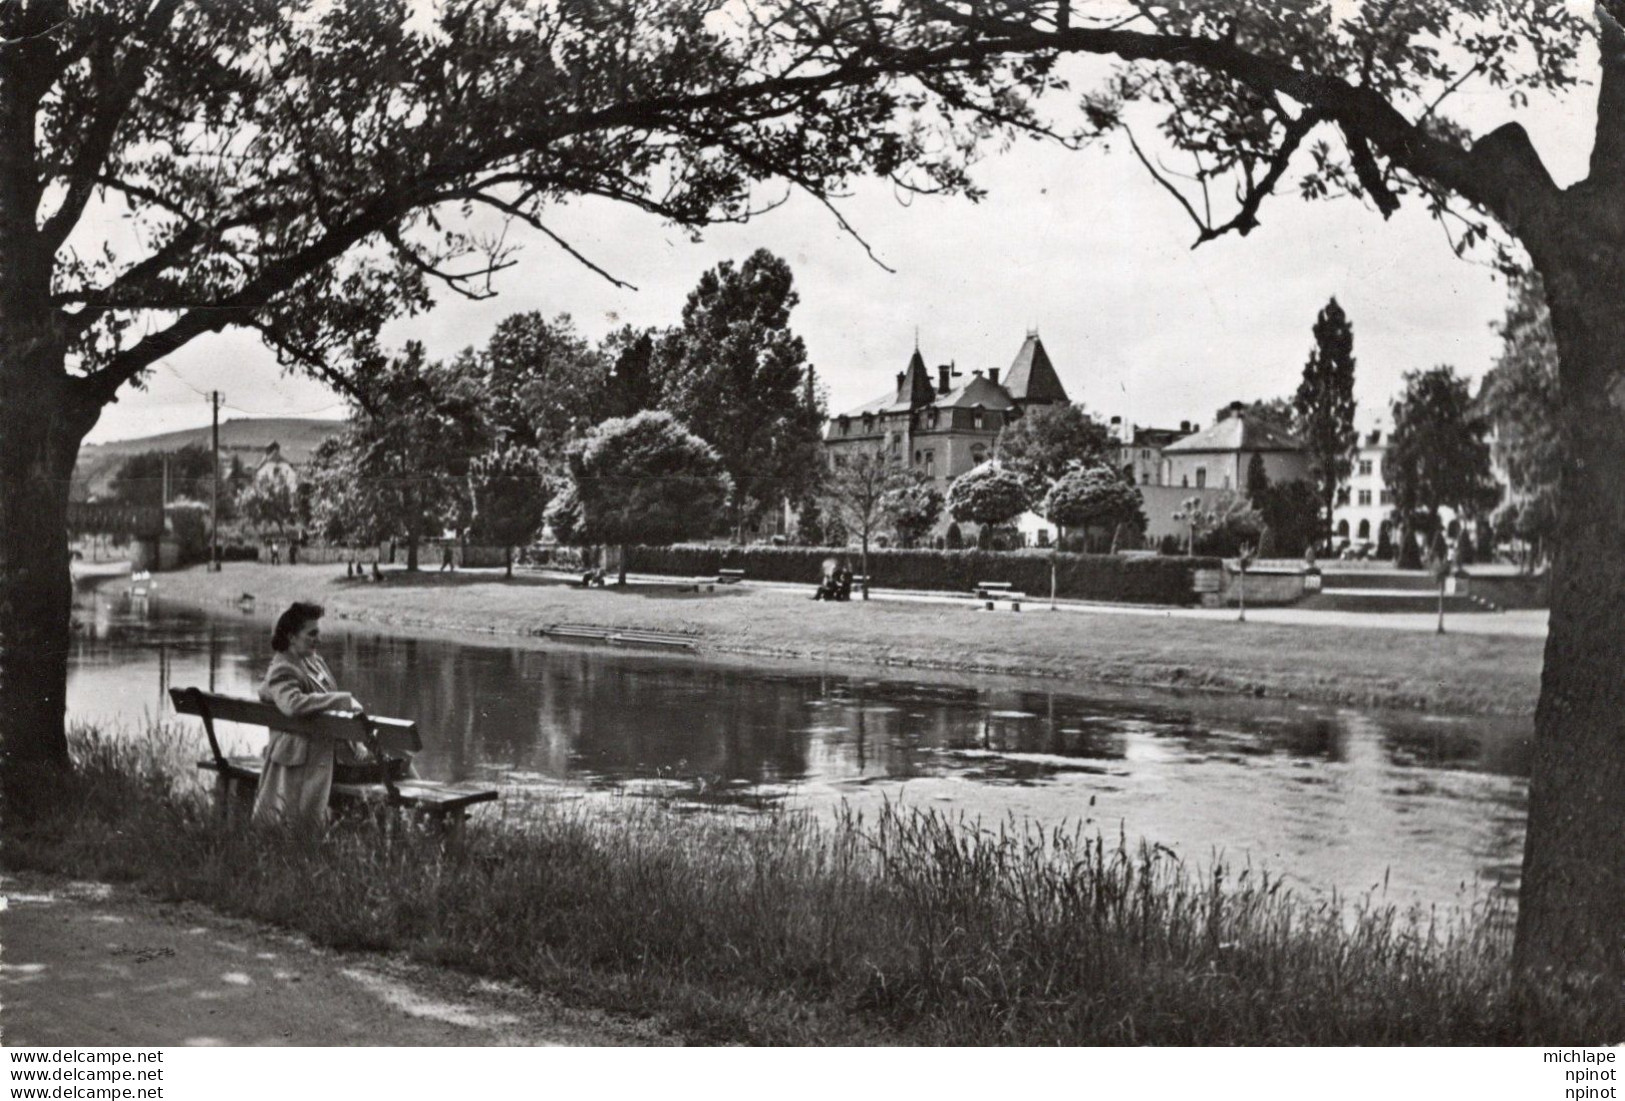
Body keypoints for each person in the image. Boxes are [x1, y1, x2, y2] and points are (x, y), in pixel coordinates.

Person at [251, 602, 367, 831]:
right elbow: (293, 705)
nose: (318, 639)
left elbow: (328, 706)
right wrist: (343, 700)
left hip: (324, 751)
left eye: (318, 633)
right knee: (391, 761)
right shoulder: (283, 668)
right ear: (292, 636)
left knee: (397, 757)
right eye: (311, 634)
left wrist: (356, 740)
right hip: (305, 757)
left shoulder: (313, 662)